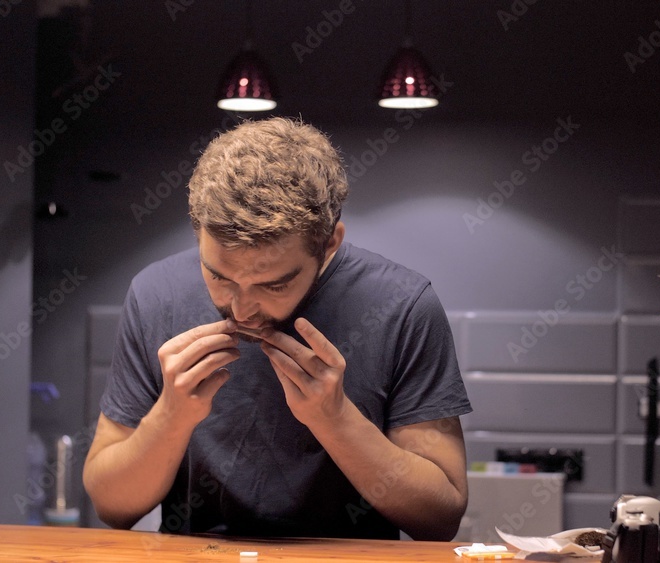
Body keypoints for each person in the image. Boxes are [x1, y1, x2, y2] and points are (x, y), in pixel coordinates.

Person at [83, 117, 472, 541]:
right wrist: (171, 417)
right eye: (219, 276)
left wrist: (337, 419)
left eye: (275, 284)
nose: (242, 309)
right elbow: (110, 505)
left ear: (330, 244)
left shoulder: (404, 306)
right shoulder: (156, 295)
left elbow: (440, 516)